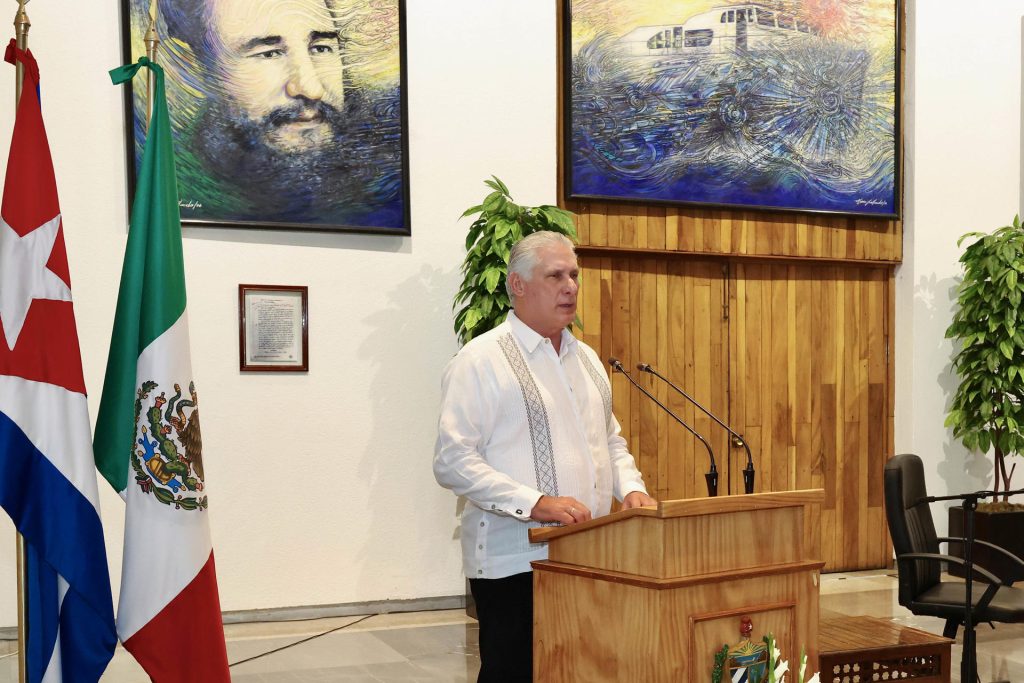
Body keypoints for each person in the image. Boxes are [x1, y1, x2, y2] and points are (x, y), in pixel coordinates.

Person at [434, 231, 657, 682]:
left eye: (573, 274)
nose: (571, 285)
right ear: (517, 285)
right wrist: (534, 502)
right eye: (555, 275)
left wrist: (631, 489)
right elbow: (453, 460)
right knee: (516, 673)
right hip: (515, 561)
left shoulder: (588, 359)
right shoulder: (481, 360)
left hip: (589, 554)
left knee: (581, 670)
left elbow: (610, 440)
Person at [158, 0, 404, 228]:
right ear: (199, 66)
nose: (312, 89)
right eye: (269, 53)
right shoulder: (170, 185)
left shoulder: (392, 178)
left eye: (321, 48)